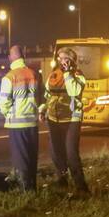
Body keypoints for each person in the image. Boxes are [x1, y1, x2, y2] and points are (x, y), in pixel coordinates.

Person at [41, 46, 89, 193]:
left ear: (72, 61)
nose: (62, 61)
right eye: (60, 58)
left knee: (71, 154)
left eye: (65, 59)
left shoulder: (78, 75)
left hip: (71, 119)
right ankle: (62, 182)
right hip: (53, 119)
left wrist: (68, 73)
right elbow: (47, 95)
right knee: (56, 153)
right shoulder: (53, 76)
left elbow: (73, 91)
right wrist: (43, 109)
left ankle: (81, 187)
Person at [0, 45, 41, 191]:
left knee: (20, 158)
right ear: (23, 57)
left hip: (17, 125)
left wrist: (9, 114)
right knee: (32, 156)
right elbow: (41, 98)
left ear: (11, 58)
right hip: (32, 123)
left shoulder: (9, 77)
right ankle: (33, 187)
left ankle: (25, 191)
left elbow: (4, 102)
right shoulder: (34, 74)